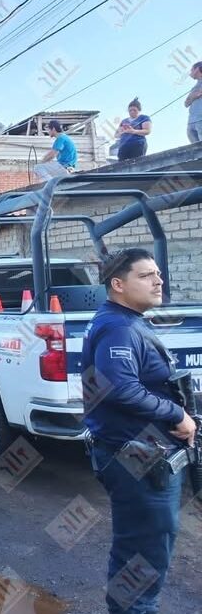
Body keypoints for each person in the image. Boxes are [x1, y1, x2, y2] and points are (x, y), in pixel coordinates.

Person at [81, 248, 196, 614]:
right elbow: (121, 388)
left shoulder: (127, 321)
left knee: (146, 544)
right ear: (118, 284)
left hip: (140, 453)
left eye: (158, 273)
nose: (158, 280)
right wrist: (177, 414)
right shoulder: (119, 327)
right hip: (135, 456)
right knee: (143, 552)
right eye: (146, 275)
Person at [185, 61, 202, 144]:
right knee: (196, 151)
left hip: (200, 120)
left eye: (192, 70)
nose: (190, 72)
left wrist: (192, 96)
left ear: (197, 69)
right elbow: (186, 103)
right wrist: (193, 96)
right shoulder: (194, 88)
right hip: (191, 122)